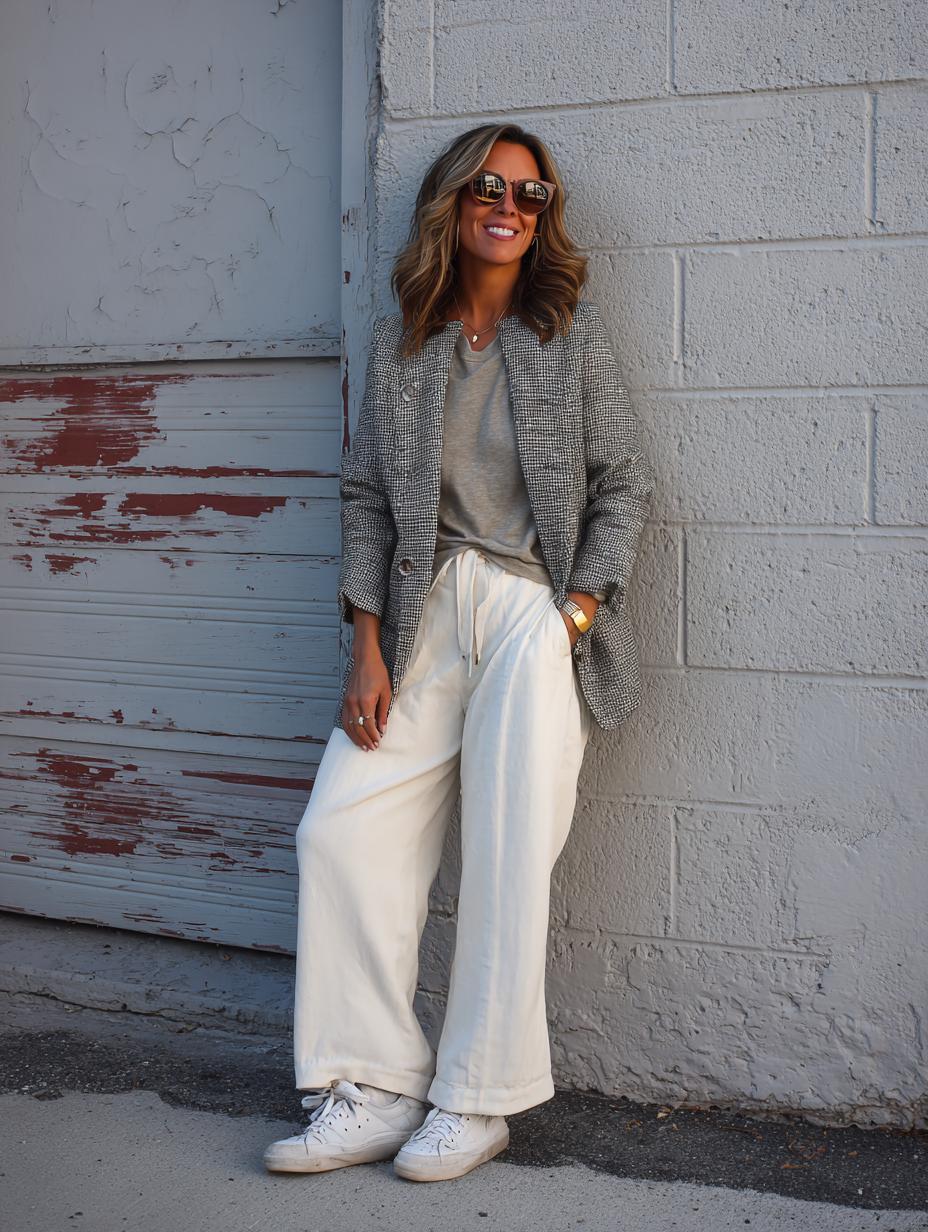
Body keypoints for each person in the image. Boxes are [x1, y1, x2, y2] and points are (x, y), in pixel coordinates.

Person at [264, 122, 655, 1183]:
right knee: (340, 831)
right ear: (453, 199)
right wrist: (365, 643)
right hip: (421, 614)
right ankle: (372, 1083)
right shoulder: (406, 341)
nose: (509, 207)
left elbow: (623, 483)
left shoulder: (566, 333)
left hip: (531, 612)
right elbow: (364, 496)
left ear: (544, 216)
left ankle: (478, 1098)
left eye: (531, 195)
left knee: (507, 849)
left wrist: (574, 614)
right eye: (489, 186)